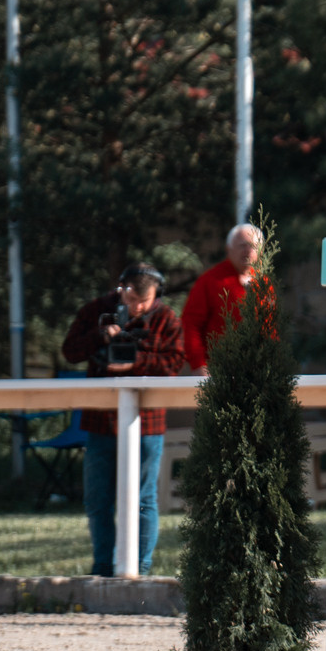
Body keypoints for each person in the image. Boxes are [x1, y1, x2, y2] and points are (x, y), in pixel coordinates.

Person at [61, 265, 186, 576]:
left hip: (148, 423)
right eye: (132, 300)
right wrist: (100, 336)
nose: (138, 308)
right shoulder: (97, 310)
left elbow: (173, 363)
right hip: (100, 420)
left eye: (145, 302)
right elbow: (70, 351)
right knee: (97, 501)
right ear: (121, 289)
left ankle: (139, 571)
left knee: (144, 500)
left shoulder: (166, 317)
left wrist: (135, 361)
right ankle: (102, 568)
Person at [181, 223, 265, 374]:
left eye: (253, 246)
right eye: (242, 245)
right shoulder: (210, 281)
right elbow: (190, 325)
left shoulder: (265, 284)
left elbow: (270, 329)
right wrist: (199, 364)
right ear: (229, 249)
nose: (248, 251)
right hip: (217, 371)